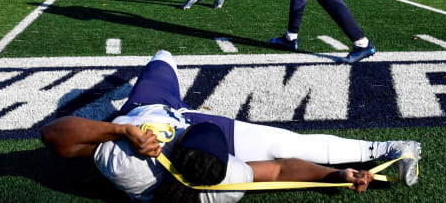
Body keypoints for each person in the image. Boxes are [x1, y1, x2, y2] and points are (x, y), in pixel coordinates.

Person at [40, 50, 421, 203]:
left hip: (148, 108)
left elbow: (54, 134)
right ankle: (386, 148)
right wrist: (334, 175)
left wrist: (119, 130)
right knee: (285, 143)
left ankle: (149, 79)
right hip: (193, 122)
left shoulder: (129, 165)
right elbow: (279, 168)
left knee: (163, 58)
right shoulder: (224, 185)